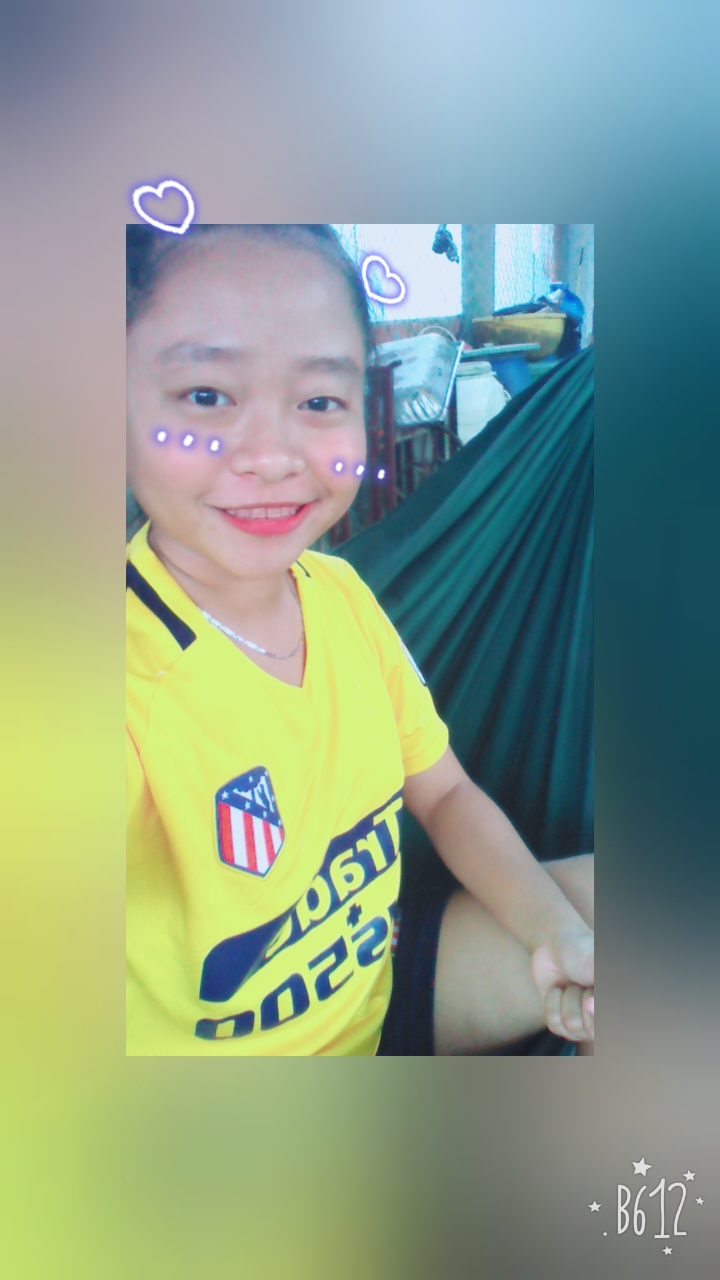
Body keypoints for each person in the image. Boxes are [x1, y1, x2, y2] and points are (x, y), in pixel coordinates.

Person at [126, 223, 594, 1056]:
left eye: (318, 402)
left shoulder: (341, 596)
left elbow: (445, 796)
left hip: (378, 980)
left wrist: (556, 934)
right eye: (205, 395)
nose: (273, 456)